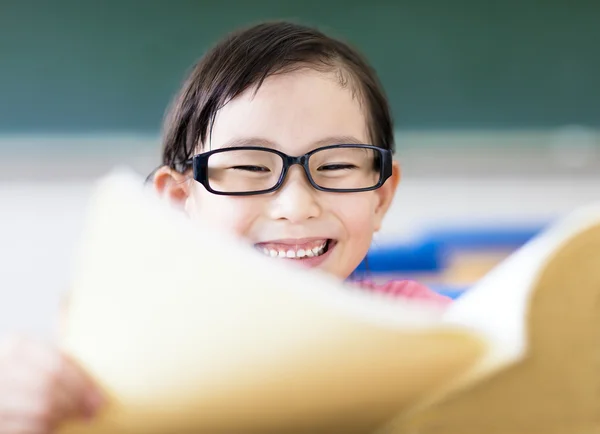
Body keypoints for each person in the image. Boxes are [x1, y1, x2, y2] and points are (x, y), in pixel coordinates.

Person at [0, 21, 450, 433]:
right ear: (180, 200)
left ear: (381, 196)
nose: (295, 206)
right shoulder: (126, 348)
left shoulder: (432, 333)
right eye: (249, 167)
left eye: (334, 164)